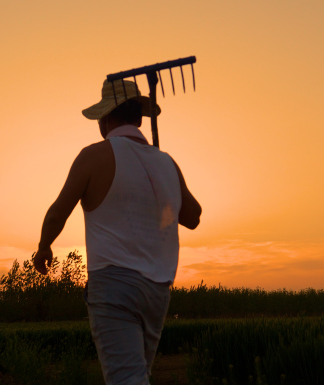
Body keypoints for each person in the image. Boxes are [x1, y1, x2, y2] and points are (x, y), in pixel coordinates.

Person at [33, 79, 201, 384]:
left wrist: (44, 246)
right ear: (139, 118)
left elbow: (59, 211)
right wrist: (164, 188)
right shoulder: (166, 162)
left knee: (127, 380)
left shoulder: (93, 156)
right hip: (157, 288)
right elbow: (193, 217)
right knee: (138, 375)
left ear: (106, 118)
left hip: (114, 284)